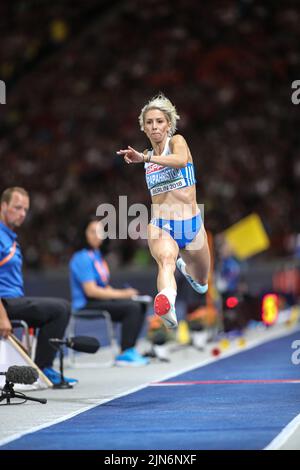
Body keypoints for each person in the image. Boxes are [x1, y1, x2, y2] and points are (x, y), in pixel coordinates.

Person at [117, 93, 210, 328]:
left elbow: (179, 161)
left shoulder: (177, 142)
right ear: (144, 128)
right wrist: (146, 157)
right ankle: (167, 302)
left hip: (192, 225)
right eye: (149, 122)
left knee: (202, 282)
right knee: (166, 260)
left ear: (168, 124)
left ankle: (187, 270)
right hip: (162, 225)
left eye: (159, 121)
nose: (154, 126)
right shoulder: (146, 159)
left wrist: (147, 157)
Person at [0, 187, 77, 385]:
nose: (22, 214)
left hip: (13, 301)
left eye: (25, 209)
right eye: (17, 208)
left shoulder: (10, 238)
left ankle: (40, 367)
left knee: (59, 307)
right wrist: (2, 317)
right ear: (3, 206)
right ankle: (43, 367)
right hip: (5, 304)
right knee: (60, 309)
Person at [69, 218, 149, 366]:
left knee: (140, 304)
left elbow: (103, 287)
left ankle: (130, 350)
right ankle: (125, 353)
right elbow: (91, 291)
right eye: (92, 231)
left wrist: (125, 293)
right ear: (84, 234)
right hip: (86, 304)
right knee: (132, 308)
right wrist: (123, 295)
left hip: (98, 300)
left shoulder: (98, 256)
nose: (96, 235)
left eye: (99, 232)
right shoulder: (82, 258)